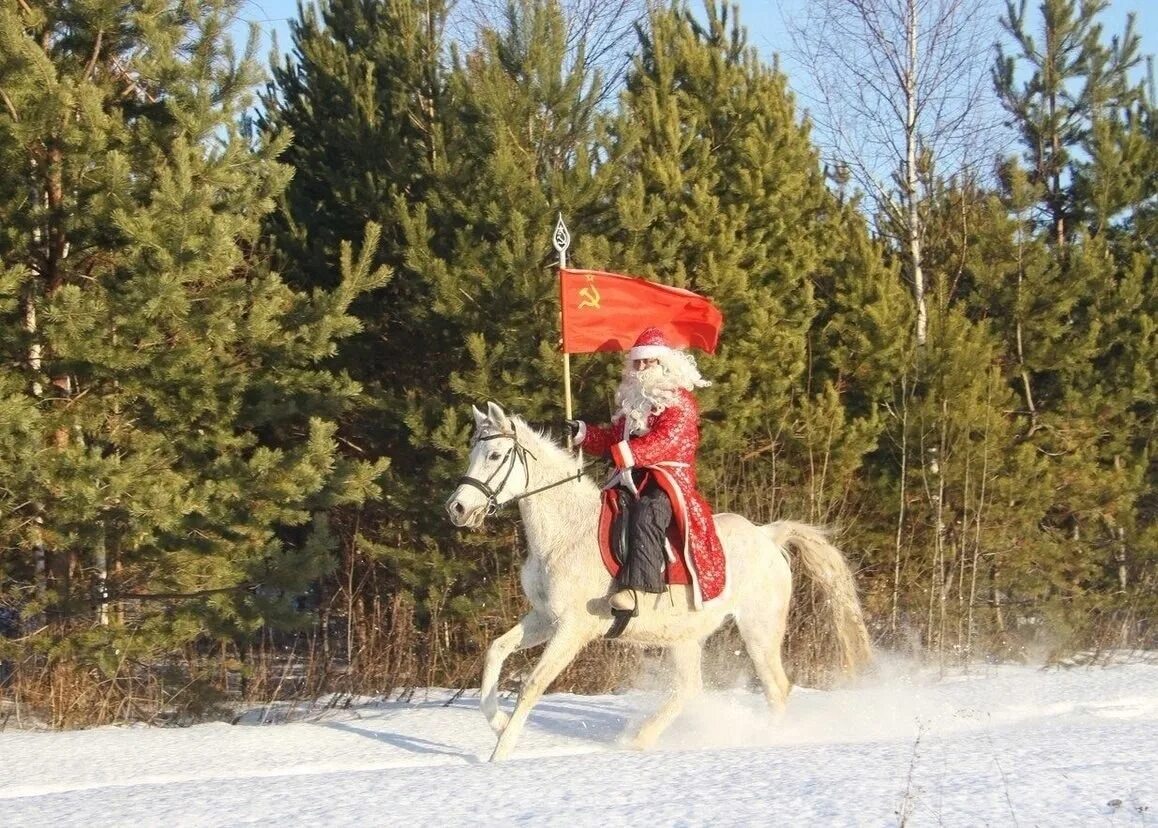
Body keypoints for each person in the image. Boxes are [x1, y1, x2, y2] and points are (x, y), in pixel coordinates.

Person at [567, 327, 725, 613]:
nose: (640, 368)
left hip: (666, 478)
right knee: (602, 509)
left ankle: (639, 589)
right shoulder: (633, 404)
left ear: (663, 364)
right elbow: (613, 439)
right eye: (636, 363)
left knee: (648, 511)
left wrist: (627, 453)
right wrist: (583, 433)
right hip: (630, 475)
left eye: (647, 362)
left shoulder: (680, 403)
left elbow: (666, 441)